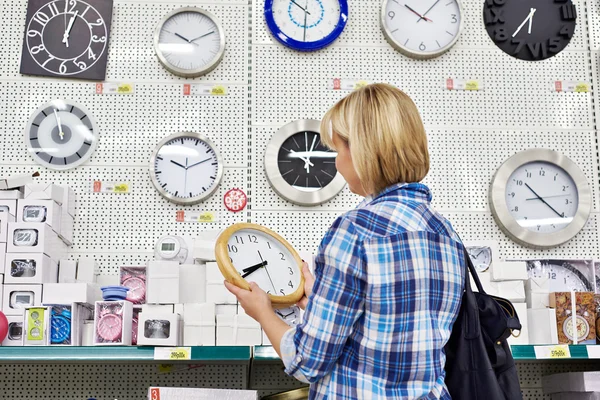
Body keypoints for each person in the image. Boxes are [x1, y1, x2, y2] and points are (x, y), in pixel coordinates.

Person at [225, 83, 465, 399]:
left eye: (338, 150)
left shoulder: (355, 230)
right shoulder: (445, 233)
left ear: (362, 149)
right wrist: (317, 299)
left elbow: (307, 361)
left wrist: (263, 313)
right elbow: (387, 330)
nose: (337, 162)